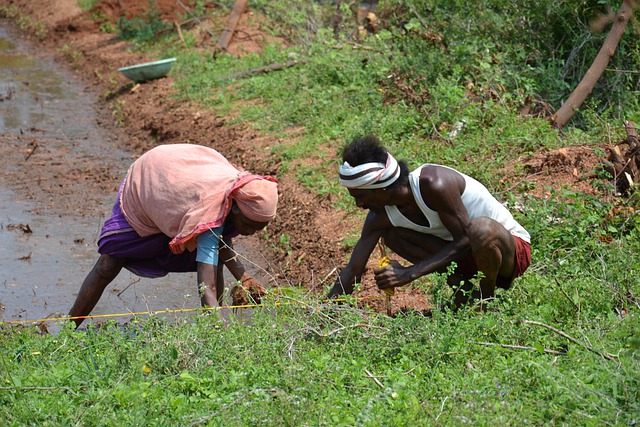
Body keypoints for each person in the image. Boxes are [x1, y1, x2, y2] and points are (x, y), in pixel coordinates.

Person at [68, 144, 279, 328]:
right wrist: (223, 335)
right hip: (152, 180)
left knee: (215, 261)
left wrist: (244, 277)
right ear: (234, 209)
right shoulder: (211, 211)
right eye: (249, 225)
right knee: (109, 263)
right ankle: (67, 331)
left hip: (183, 186)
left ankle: (214, 324)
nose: (252, 232)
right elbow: (207, 288)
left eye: (260, 228)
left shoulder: (233, 198)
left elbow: (220, 240)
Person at [327, 135, 531, 310]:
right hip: (468, 257)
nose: (358, 204)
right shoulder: (378, 218)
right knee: (391, 235)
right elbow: (352, 270)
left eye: (361, 196)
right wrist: (324, 311)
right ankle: (464, 292)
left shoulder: (433, 184)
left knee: (479, 230)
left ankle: (485, 301)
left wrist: (408, 274)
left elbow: (465, 240)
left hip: (508, 253)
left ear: (381, 186)